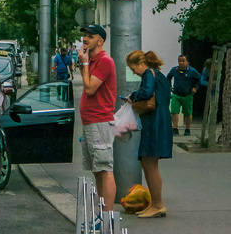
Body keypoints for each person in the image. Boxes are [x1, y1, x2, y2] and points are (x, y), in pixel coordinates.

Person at [126, 50, 172, 219]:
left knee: (150, 163)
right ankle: (154, 204)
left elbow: (146, 93)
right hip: (160, 120)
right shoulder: (159, 74)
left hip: (155, 122)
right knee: (147, 162)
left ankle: (158, 205)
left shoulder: (148, 73)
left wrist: (132, 96)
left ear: (141, 64)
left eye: (133, 68)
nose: (133, 72)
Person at [77, 24, 116, 217]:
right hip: (91, 122)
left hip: (100, 121)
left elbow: (90, 88)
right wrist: (85, 63)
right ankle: (101, 213)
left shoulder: (104, 61)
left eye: (90, 36)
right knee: (97, 169)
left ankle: (107, 217)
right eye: (84, 35)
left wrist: (84, 64)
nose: (85, 39)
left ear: (100, 40)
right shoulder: (92, 61)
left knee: (105, 168)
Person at [166, 54, 201, 136]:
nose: (181, 63)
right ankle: (175, 128)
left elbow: (199, 79)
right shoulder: (174, 70)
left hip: (187, 95)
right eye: (179, 61)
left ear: (187, 62)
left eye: (183, 61)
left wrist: (195, 87)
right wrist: (169, 86)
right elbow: (168, 77)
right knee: (174, 111)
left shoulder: (192, 71)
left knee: (187, 113)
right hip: (176, 94)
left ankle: (187, 129)